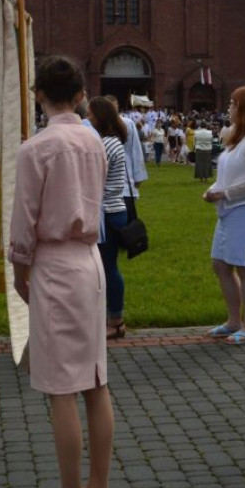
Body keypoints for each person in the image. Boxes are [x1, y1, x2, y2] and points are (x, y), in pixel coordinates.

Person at [9, 56, 113, 488]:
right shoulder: (93, 140)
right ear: (78, 94)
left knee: (61, 386)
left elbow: (24, 218)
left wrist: (18, 268)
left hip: (55, 263)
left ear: (38, 95)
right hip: (90, 261)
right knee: (95, 380)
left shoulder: (37, 149)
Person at [203, 87, 245, 345]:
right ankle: (233, 320)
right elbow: (226, 175)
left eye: (233, 104)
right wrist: (213, 190)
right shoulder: (238, 138)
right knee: (221, 264)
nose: (229, 108)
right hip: (230, 209)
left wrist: (224, 193)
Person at [87, 97, 129, 341]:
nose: (88, 120)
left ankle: (116, 319)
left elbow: (93, 175)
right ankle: (109, 317)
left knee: (108, 267)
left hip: (109, 212)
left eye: (91, 115)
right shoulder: (107, 142)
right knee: (103, 267)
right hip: (108, 210)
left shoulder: (108, 144)